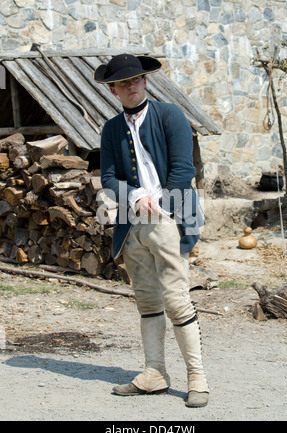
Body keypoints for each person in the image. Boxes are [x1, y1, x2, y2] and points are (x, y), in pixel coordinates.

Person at [94, 53, 209, 407]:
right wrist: (136, 197)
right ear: (113, 89)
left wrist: (160, 206)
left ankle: (197, 378)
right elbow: (109, 179)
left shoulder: (170, 115)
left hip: (169, 219)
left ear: (145, 81)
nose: (131, 86)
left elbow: (183, 169)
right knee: (146, 299)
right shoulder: (111, 128)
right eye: (123, 83)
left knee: (176, 298)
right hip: (132, 225)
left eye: (136, 80)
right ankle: (154, 373)